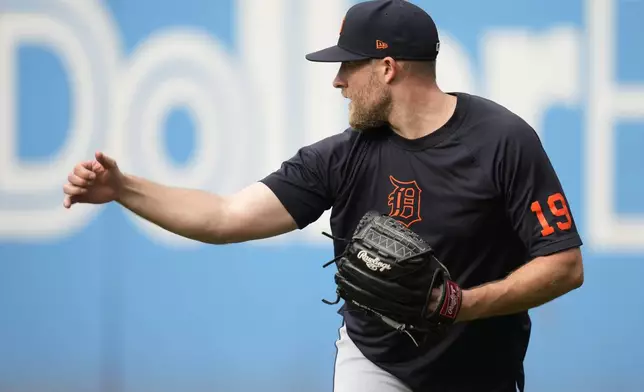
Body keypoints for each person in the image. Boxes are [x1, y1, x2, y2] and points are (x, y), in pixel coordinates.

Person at [62, 0, 584, 391]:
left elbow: (564, 265)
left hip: (481, 370)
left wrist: (463, 304)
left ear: (387, 67)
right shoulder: (341, 157)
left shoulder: (503, 141)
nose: (336, 81)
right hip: (376, 362)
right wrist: (123, 188)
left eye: (347, 66)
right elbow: (224, 216)